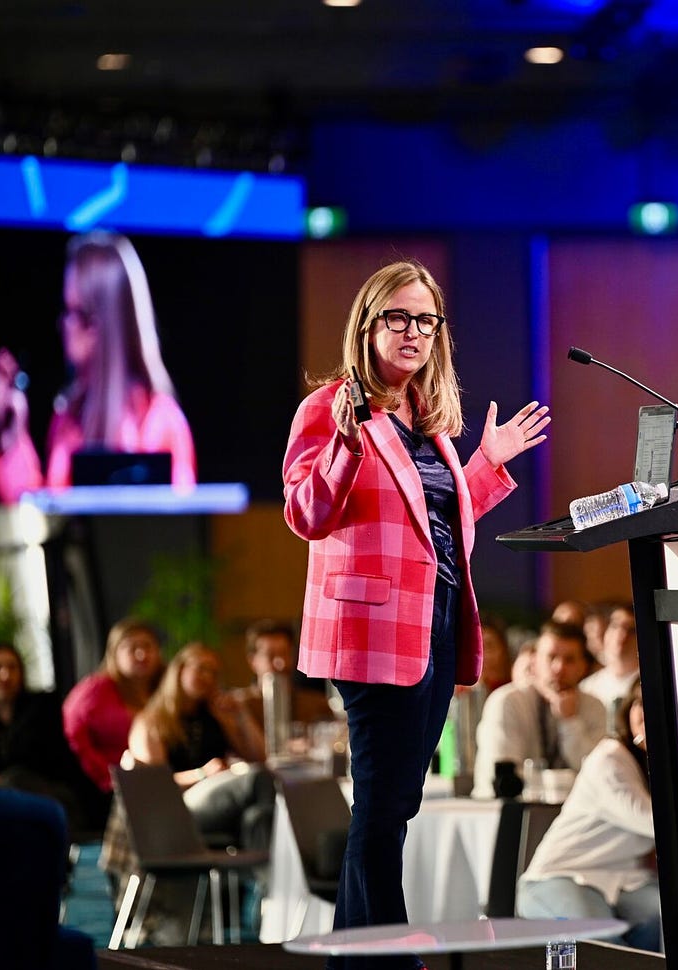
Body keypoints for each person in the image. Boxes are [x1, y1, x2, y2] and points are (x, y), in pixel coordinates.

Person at [282, 257, 548, 967]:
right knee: (380, 804)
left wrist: (485, 463)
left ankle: (353, 956)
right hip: (367, 632)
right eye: (397, 318)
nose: (412, 332)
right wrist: (343, 443)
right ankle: (391, 955)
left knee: (397, 804)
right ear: (367, 326)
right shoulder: (332, 408)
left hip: (434, 627)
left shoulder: (427, 422)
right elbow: (306, 515)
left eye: (425, 320)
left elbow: (437, 529)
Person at [0, 231, 195, 502]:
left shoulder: (162, 423)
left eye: (71, 311)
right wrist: (13, 439)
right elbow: (45, 520)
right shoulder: (68, 422)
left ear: (98, 324)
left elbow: (176, 529)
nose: (62, 324)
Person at [517, 678, 660, 951]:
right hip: (560, 876)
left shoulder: (662, 764)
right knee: (601, 943)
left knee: (670, 923)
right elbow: (651, 821)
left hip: (626, 881)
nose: (646, 712)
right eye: (640, 703)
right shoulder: (609, 758)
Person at [127, 644, 271, 846]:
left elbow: (261, 757)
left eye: (213, 673)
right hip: (177, 806)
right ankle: (270, 871)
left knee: (257, 814)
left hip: (214, 797)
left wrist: (242, 715)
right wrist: (202, 773)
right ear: (179, 670)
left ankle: (264, 869)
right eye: (201, 668)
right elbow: (154, 784)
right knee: (257, 780)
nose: (208, 677)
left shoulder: (214, 717)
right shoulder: (152, 722)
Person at [0, 643, 108, 833]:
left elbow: (49, 759)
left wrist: (2, 778)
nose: (5, 675)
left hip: (45, 791)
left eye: (12, 667)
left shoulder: (42, 707)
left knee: (14, 781)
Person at [473, 621, 608, 799]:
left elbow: (598, 776)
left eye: (570, 660)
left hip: (567, 813)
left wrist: (570, 722)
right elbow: (505, 780)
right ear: (535, 661)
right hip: (502, 811)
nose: (559, 668)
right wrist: (564, 782)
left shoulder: (594, 706)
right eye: (551, 657)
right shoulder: (507, 701)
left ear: (583, 667)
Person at [62, 616, 164, 795]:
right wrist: (108, 777)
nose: (141, 654)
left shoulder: (165, 686)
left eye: (147, 646)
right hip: (110, 788)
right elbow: (74, 736)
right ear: (114, 653)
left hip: (163, 778)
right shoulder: (95, 690)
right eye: (132, 648)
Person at [229, 619, 335, 740]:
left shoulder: (317, 705)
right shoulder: (239, 706)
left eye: (285, 653)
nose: (281, 663)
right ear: (252, 661)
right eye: (271, 655)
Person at [580, 604, 640, 711]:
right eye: (615, 626)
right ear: (604, 633)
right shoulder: (587, 689)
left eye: (631, 630)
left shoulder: (650, 685)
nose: (621, 634)